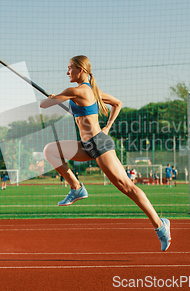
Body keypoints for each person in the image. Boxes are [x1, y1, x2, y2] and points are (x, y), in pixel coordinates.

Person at [40, 55, 171, 251]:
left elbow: (43, 105)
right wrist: (107, 125)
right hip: (86, 145)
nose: (67, 72)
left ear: (81, 70)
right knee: (50, 150)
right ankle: (76, 188)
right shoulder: (90, 91)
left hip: (99, 144)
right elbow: (118, 103)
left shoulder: (74, 91)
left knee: (127, 186)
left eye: (70, 68)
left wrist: (54, 98)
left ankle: (161, 227)